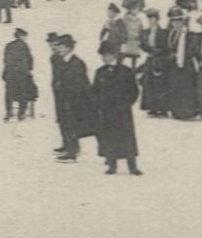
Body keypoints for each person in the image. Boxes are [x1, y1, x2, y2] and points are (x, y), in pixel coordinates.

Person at [92, 42, 142, 175]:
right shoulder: (100, 72)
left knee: (127, 138)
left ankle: (132, 166)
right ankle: (111, 165)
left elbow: (134, 91)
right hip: (107, 111)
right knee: (109, 137)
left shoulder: (125, 71)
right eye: (103, 56)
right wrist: (99, 105)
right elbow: (95, 91)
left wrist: (126, 104)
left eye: (107, 55)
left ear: (114, 55)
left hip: (122, 111)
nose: (104, 58)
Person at [49, 34, 94, 162]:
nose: (58, 49)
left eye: (61, 46)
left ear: (69, 48)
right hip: (63, 98)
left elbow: (80, 85)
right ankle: (68, 147)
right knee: (64, 121)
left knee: (72, 124)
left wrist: (72, 99)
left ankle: (72, 152)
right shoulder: (62, 61)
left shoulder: (77, 63)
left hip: (74, 100)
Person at [2, 27, 38, 121]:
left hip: (10, 73)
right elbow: (30, 59)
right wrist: (29, 69)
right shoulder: (24, 45)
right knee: (23, 92)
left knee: (9, 93)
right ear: (21, 36)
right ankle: (21, 113)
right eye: (25, 36)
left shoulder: (8, 45)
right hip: (22, 73)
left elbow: (5, 60)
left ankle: (9, 111)